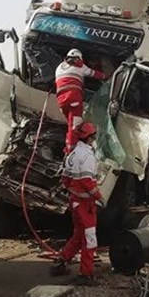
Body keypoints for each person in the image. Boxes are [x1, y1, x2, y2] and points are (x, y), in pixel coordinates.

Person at [50, 122, 104, 285]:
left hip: (75, 202)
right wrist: (99, 197)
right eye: (94, 135)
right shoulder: (87, 156)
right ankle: (85, 274)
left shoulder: (72, 154)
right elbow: (87, 182)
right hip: (85, 204)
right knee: (89, 239)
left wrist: (75, 191)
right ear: (90, 138)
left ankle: (61, 262)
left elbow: (65, 179)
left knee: (78, 235)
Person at [54, 48, 106, 152]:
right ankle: (71, 150)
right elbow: (95, 74)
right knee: (74, 126)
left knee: (72, 123)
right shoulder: (80, 65)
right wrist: (106, 76)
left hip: (61, 100)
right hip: (73, 97)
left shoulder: (59, 67)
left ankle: (78, 141)